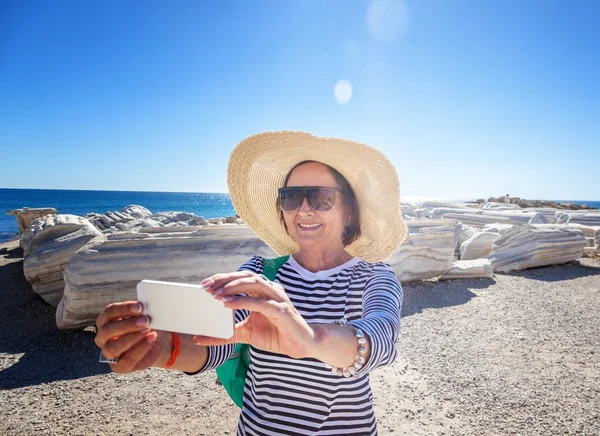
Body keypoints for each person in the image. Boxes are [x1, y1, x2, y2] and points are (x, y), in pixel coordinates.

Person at [95, 131, 407, 435]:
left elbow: (381, 338)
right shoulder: (260, 274)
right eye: (292, 197)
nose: (304, 209)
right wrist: (165, 349)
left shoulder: (374, 277)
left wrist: (311, 339)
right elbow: (225, 340)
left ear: (349, 212)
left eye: (322, 198)